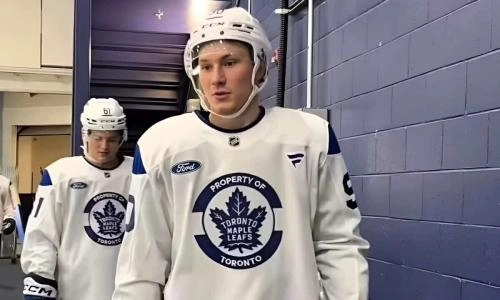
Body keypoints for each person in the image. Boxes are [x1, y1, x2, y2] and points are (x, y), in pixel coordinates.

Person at [113, 7, 369, 300]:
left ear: (259, 66)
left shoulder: (312, 137)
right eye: (206, 66)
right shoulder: (161, 145)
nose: (216, 78)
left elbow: (340, 244)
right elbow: (139, 266)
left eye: (230, 62)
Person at [21, 98, 133, 300]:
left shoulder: (137, 174)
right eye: (98, 137)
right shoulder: (60, 174)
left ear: (121, 138)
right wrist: (39, 281)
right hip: (75, 289)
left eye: (111, 139)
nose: (104, 146)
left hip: (128, 290)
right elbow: (42, 235)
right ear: (86, 135)